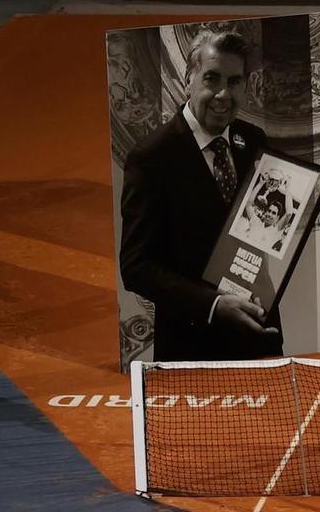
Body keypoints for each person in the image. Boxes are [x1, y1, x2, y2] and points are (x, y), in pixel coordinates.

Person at [118, 30, 282, 362]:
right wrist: (214, 304)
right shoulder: (151, 157)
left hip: (259, 333)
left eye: (234, 81)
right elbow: (136, 266)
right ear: (188, 80)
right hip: (191, 345)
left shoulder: (254, 140)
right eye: (212, 79)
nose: (223, 94)